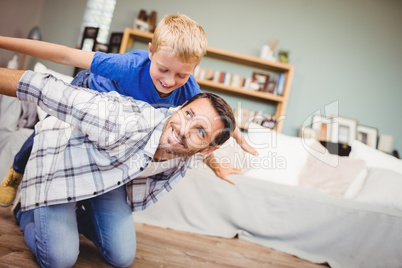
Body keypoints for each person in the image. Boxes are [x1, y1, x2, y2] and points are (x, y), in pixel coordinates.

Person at [0, 14, 257, 206]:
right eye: (163, 69)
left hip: (118, 122)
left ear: (193, 69)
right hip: (91, 93)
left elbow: (212, 126)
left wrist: (233, 144)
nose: (169, 81)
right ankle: (17, 171)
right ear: (151, 52)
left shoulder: (188, 88)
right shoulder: (128, 66)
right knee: (47, 129)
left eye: (181, 74)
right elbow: (66, 56)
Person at [0, 67, 236, 267]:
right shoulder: (126, 121)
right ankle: (25, 211)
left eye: (200, 131)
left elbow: (203, 146)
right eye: (188, 114)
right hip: (64, 165)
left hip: (108, 176)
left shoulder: (190, 152)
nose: (184, 130)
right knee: (59, 259)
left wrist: (217, 167)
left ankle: (68, 218)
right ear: (180, 107)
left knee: (122, 257)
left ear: (206, 149)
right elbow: (45, 89)